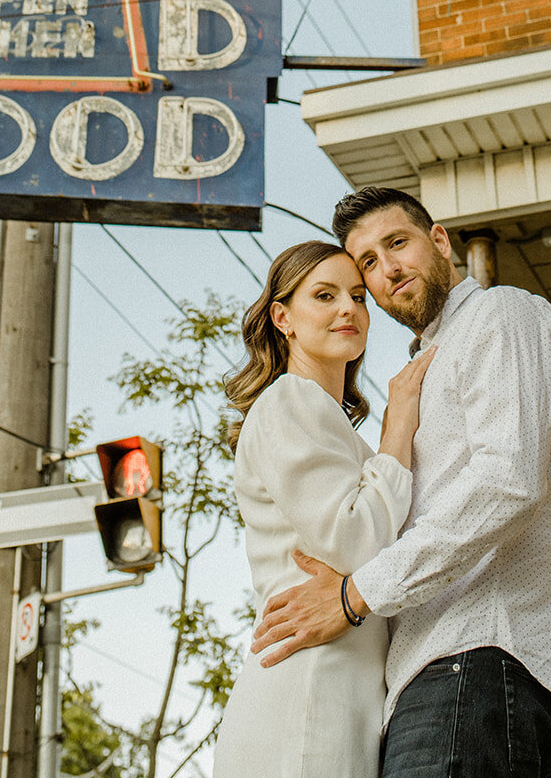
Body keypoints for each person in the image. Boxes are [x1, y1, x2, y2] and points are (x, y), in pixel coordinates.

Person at [252, 187, 551, 777]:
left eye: (397, 244)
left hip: (481, 652)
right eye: (368, 264)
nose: (387, 270)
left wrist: (354, 596)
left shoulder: (500, 313)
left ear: (439, 241)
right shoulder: (424, 364)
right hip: (433, 667)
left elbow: (506, 481)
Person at [213, 238, 434, 778]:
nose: (348, 309)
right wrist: (399, 426)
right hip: (310, 684)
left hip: (345, 681)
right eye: (325, 295)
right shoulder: (291, 400)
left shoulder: (342, 434)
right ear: (282, 316)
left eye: (358, 296)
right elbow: (356, 540)